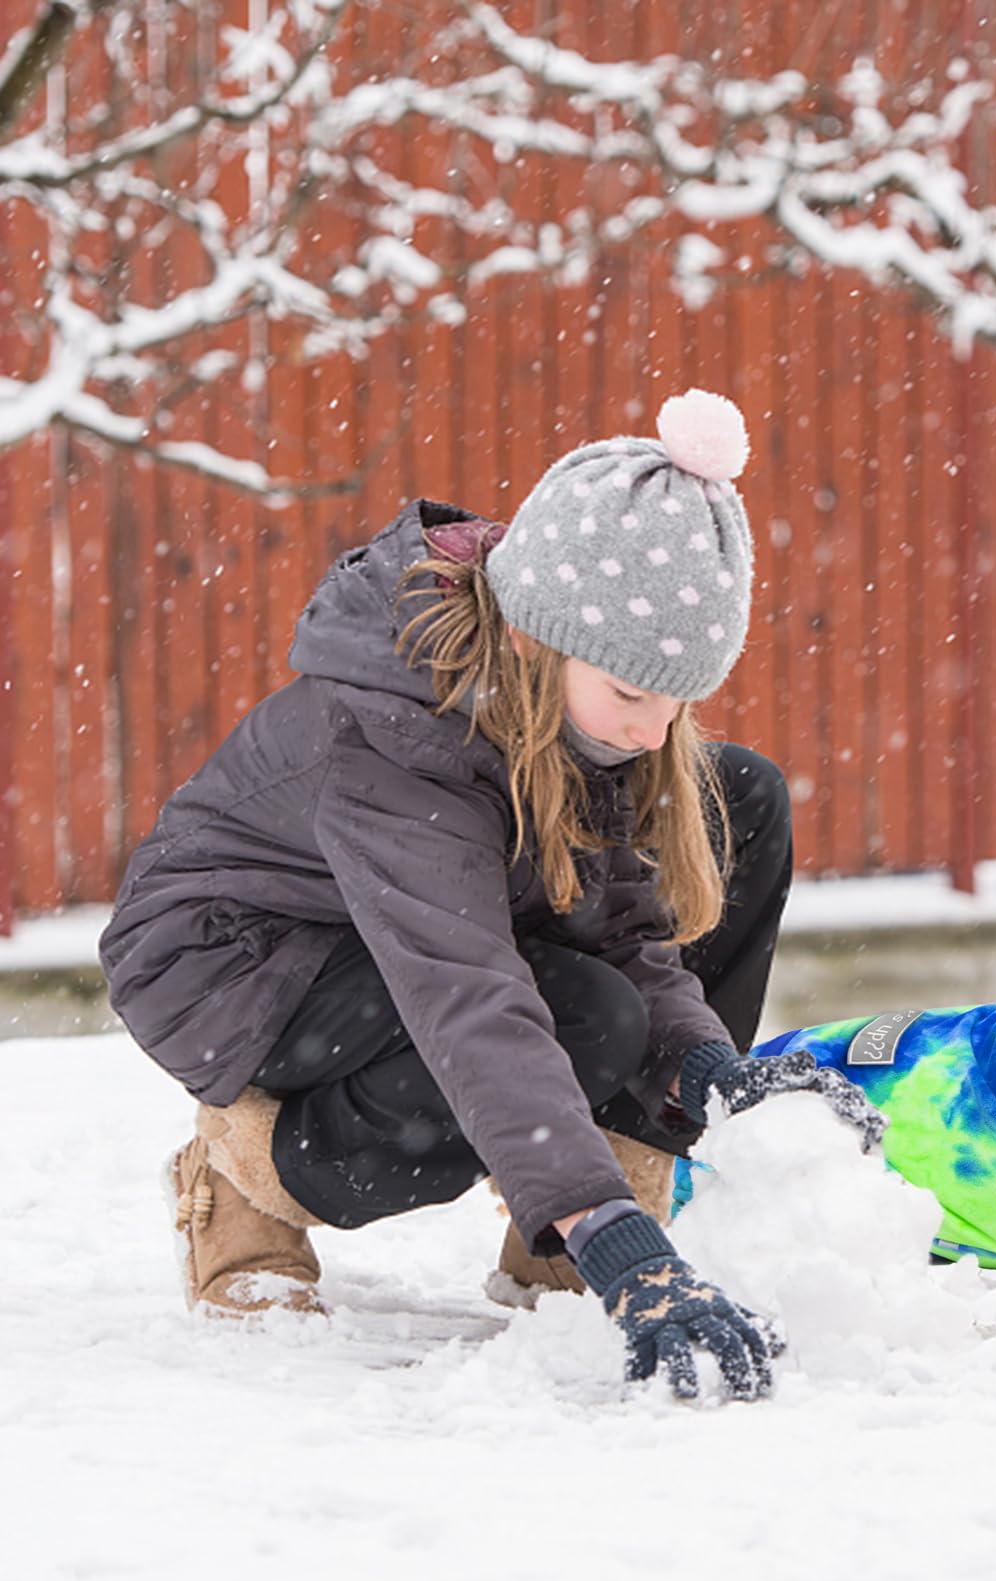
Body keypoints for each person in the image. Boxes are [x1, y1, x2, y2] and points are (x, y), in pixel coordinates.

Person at [99, 389, 882, 1401]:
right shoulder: (400, 736)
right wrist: (620, 1248)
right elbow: (469, 996)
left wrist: (709, 1074)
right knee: (580, 1021)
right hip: (240, 960)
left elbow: (627, 929)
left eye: (679, 696)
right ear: (531, 638)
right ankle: (251, 1172)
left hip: (408, 929)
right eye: (634, 694)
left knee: (736, 799)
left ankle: (587, 1197)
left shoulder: (575, 710)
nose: (654, 729)